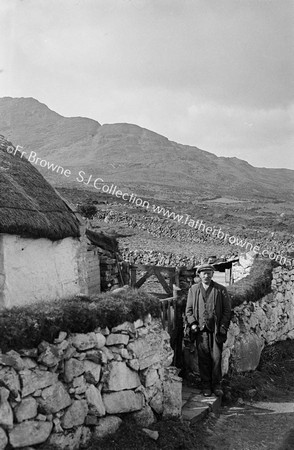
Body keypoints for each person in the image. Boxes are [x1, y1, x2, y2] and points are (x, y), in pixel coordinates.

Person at [185, 264, 231, 397]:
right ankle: (206, 385)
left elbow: (227, 311)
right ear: (199, 275)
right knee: (203, 357)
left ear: (212, 274)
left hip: (216, 330)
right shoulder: (193, 290)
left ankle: (216, 385)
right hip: (200, 330)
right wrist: (193, 323)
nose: (206, 276)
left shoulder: (220, 290)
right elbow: (188, 310)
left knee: (216, 357)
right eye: (203, 273)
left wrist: (222, 326)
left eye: (209, 273)